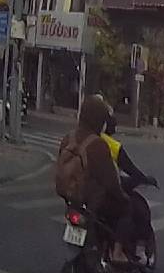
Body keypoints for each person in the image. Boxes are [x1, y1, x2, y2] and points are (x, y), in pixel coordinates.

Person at [56, 95, 131, 264]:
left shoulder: (68, 138)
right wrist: (122, 196)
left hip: (72, 199)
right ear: (99, 120)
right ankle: (117, 252)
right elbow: (110, 181)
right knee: (127, 208)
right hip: (93, 201)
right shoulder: (97, 144)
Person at [98, 106, 158, 264]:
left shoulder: (77, 138)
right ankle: (120, 252)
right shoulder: (110, 145)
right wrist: (144, 179)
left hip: (78, 196)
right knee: (134, 208)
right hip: (103, 196)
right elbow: (130, 171)